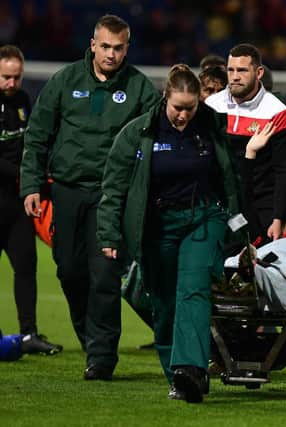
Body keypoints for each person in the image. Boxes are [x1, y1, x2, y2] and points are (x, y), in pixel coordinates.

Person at [20, 15, 161, 380]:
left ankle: (101, 357)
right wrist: (32, 184)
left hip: (112, 195)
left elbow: (153, 145)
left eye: (119, 48)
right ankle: (88, 335)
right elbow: (37, 135)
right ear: (93, 44)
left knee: (104, 275)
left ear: (126, 48)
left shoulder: (140, 88)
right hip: (66, 190)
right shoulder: (65, 81)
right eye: (106, 47)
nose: (112, 54)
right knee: (68, 269)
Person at [97, 64, 239, 404]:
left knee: (194, 288)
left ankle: (191, 370)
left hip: (204, 219)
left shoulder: (211, 127)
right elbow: (114, 187)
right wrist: (108, 234)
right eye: (178, 108)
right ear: (165, 98)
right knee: (163, 303)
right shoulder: (137, 134)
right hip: (157, 226)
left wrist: (235, 219)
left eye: (191, 108)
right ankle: (177, 378)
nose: (184, 115)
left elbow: (230, 177)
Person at [0, 45, 61, 355]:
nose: (12, 83)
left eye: (17, 77)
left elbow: (29, 146)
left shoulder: (23, 100)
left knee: (26, 266)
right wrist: (27, 175)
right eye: (6, 77)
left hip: (17, 203)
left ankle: (28, 333)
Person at [205, 43, 286, 245]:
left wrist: (278, 217)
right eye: (231, 70)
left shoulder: (277, 114)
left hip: (260, 206)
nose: (235, 76)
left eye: (242, 70)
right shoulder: (211, 106)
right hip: (217, 202)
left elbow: (284, 171)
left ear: (259, 72)